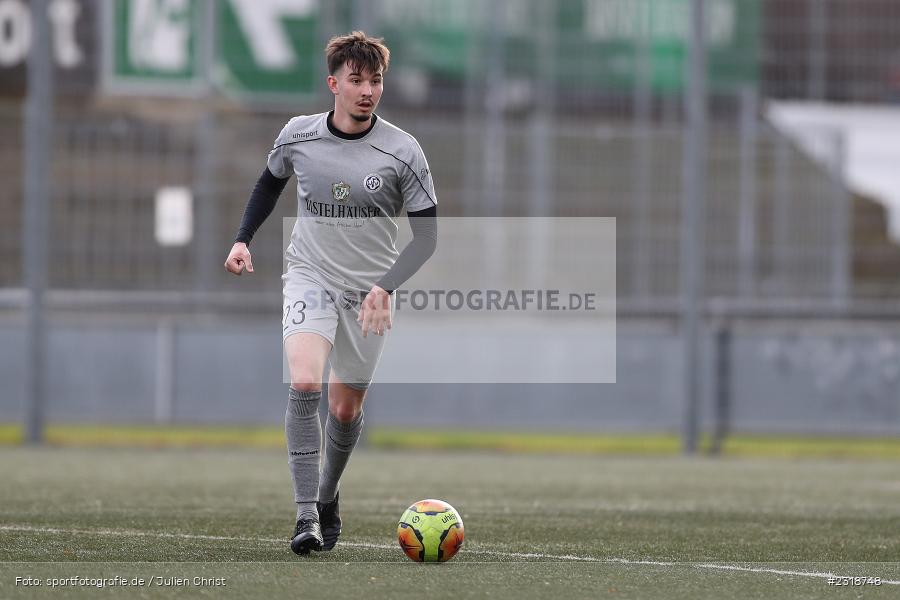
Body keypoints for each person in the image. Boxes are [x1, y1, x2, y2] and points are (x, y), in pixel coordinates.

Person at [223, 31, 437, 556]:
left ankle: (326, 496)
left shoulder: (403, 151)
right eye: (356, 80)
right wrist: (243, 239)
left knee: (344, 410)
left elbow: (428, 238)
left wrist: (385, 287)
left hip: (369, 294)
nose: (367, 90)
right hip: (310, 275)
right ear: (333, 84)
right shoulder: (298, 135)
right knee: (304, 381)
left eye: (376, 81)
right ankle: (304, 517)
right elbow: (269, 183)